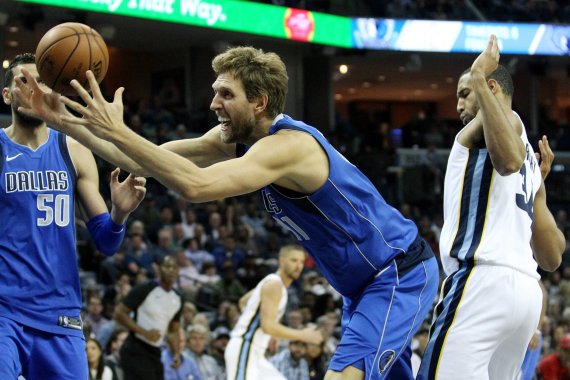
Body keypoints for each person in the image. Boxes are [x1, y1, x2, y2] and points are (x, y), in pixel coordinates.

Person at [14, 45, 440, 380]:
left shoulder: (287, 147)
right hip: (361, 287)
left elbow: (196, 186)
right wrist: (66, 122)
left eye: (225, 94)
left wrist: (119, 129)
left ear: (259, 102)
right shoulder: (236, 138)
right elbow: (145, 162)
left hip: (396, 274)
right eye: (215, 90)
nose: (213, 102)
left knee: (344, 376)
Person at [417, 35, 566, 379]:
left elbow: (509, 161)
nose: (457, 105)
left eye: (465, 93)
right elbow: (552, 257)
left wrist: (480, 78)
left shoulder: (507, 125)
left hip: (481, 281)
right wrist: (538, 186)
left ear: (492, 89)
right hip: (526, 296)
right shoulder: (531, 158)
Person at [0, 53, 146, 380]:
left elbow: (106, 243)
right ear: (7, 95)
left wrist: (120, 212)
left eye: (42, 82)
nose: (35, 89)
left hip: (60, 313)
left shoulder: (74, 149)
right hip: (5, 311)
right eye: (24, 81)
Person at [225, 244, 322, 379]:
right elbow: (267, 326)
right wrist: (302, 335)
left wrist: (264, 327)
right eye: (293, 260)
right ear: (281, 261)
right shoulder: (274, 285)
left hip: (256, 352)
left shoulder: (274, 284)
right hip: (245, 347)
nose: (298, 266)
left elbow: (244, 302)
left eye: (301, 262)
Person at [114, 255, 184, 380]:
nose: (171, 270)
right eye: (167, 266)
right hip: (135, 348)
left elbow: (173, 330)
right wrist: (144, 332)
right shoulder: (145, 289)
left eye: (174, 267)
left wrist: (176, 353)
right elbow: (119, 313)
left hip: (155, 351)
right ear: (158, 269)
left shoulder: (178, 298)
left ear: (178, 271)